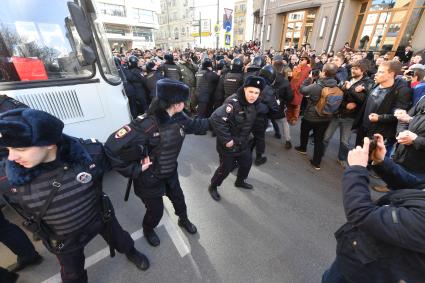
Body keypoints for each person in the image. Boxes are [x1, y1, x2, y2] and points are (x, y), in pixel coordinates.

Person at [0, 109, 149, 283]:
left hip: (100, 217)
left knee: (121, 239)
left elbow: (114, 160)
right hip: (63, 239)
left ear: (49, 143)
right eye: (8, 148)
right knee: (73, 274)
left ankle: (131, 252)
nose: (11, 156)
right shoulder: (6, 180)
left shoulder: (90, 154)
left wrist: (136, 168)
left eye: (20, 148)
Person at [105, 78, 209, 247]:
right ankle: (148, 229)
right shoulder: (145, 124)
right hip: (149, 179)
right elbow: (111, 148)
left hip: (170, 172)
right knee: (156, 212)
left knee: (180, 201)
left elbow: (196, 125)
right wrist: (135, 169)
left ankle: (183, 220)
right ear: (175, 103)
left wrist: (218, 119)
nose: (185, 104)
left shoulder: (178, 117)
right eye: (183, 101)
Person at [322, 134, 425, 283]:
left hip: (370, 272)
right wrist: (382, 162)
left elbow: (362, 214)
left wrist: (356, 170)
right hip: (363, 257)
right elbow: (417, 187)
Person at [208, 76, 266, 201]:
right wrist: (227, 140)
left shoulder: (256, 103)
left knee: (246, 163)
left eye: (256, 93)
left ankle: (240, 181)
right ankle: (213, 186)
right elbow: (216, 119)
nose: (253, 95)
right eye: (251, 91)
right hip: (228, 144)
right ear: (244, 89)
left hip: (243, 142)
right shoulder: (233, 102)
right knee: (225, 169)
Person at [352, 61, 411, 155]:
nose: (377, 74)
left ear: (391, 74)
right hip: (363, 129)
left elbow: (399, 116)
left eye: (381, 72)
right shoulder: (376, 84)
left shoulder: (402, 91)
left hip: (378, 133)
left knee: (369, 160)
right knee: (358, 153)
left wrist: (379, 118)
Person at [323, 59, 373, 167]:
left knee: (344, 140)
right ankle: (320, 153)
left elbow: (362, 100)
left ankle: (341, 158)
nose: (352, 70)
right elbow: (341, 96)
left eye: (356, 69)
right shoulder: (349, 79)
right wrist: (344, 90)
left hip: (350, 117)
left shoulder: (367, 83)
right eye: (352, 68)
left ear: (363, 70)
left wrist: (351, 89)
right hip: (338, 113)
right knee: (326, 136)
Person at [295, 63, 339, 170]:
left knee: (304, 131)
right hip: (326, 117)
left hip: (311, 116)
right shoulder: (336, 86)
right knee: (319, 140)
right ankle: (316, 162)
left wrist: (309, 79)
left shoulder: (317, 86)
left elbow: (302, 90)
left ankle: (303, 148)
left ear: (323, 72)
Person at [253, 65, 279, 165]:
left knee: (245, 135)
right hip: (260, 118)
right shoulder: (269, 90)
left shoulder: (252, 82)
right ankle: (259, 158)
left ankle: (238, 158)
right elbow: (274, 108)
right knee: (259, 138)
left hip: (248, 114)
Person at [288, 55, 311, 125]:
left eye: (303, 59)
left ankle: (294, 118)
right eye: (301, 59)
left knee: (297, 105)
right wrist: (291, 74)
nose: (301, 60)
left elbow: (309, 80)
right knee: (290, 103)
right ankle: (289, 117)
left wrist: (303, 87)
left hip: (299, 88)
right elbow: (293, 76)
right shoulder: (297, 66)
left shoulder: (309, 69)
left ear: (307, 60)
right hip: (292, 86)